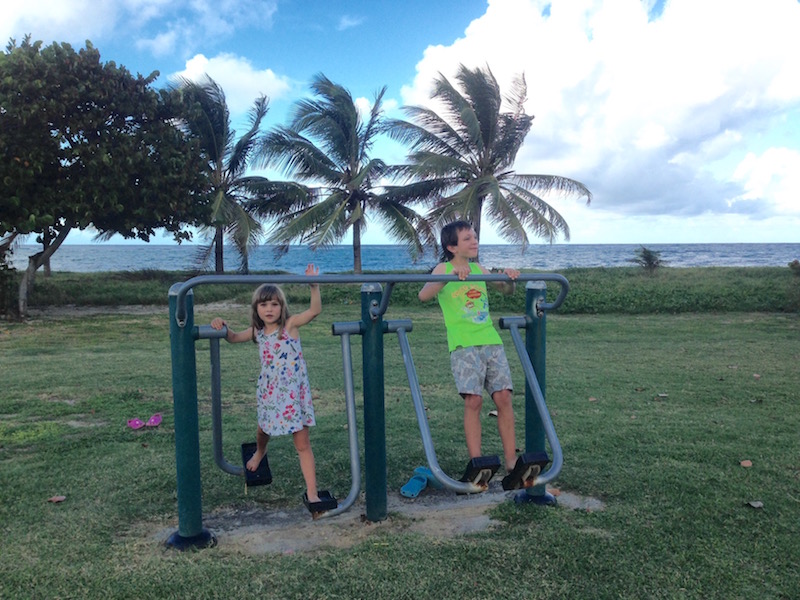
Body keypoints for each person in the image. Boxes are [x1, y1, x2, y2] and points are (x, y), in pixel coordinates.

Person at [211, 264, 322, 503]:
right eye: (264, 304)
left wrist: (314, 286)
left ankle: (312, 494)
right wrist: (223, 325)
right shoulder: (257, 332)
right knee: (263, 430)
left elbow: (314, 311)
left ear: (282, 307)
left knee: (302, 443)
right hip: (269, 392)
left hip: (293, 395)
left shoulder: (289, 326)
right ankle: (260, 451)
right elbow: (232, 338)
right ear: (256, 309)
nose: (269, 309)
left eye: (274, 304)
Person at [418, 221, 522, 477]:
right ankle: (477, 464)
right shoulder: (443, 268)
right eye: (467, 238)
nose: (474, 241)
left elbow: (505, 290)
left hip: (491, 341)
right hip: (464, 345)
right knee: (474, 401)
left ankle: (511, 462)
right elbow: (424, 295)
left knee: (504, 398)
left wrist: (509, 278)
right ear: (452, 246)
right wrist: (449, 277)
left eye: (475, 236)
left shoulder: (479, 268)